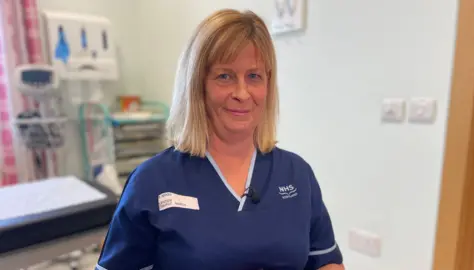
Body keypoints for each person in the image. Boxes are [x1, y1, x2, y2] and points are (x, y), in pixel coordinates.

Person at [97, 9, 344, 270]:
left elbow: (326, 261)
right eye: (225, 76)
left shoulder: (297, 174)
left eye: (254, 76)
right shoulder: (152, 181)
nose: (242, 93)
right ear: (197, 85)